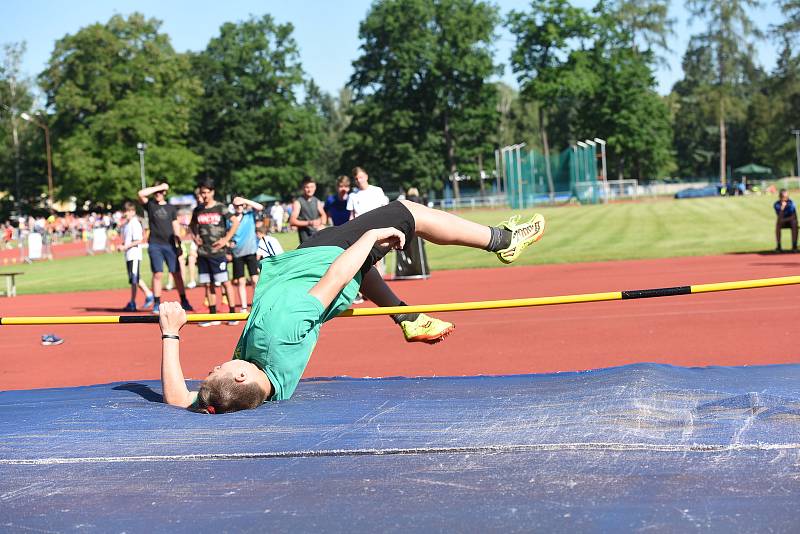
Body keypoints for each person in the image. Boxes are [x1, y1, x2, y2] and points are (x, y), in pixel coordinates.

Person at [156, 200, 547, 413]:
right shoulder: (283, 331)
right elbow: (336, 279)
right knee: (409, 213)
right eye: (217, 370)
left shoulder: (266, 391)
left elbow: (178, 399)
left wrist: (171, 333)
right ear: (240, 379)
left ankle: (407, 317)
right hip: (324, 261)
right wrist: (372, 236)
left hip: (303, 265)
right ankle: (502, 240)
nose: (216, 365)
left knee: (365, 265)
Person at [189, 178, 240, 326]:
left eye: (207, 192)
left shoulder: (221, 208)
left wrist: (226, 239)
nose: (204, 195)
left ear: (212, 192)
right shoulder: (198, 210)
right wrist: (194, 237)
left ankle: (232, 314)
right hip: (203, 253)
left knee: (225, 282)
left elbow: (235, 221)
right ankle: (212, 315)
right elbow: (191, 225)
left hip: (218, 253)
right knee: (207, 284)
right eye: (202, 193)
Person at [138, 181, 193, 313]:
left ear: (165, 193)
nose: (158, 194)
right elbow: (141, 194)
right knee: (158, 274)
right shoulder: (150, 205)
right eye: (156, 192)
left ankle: (184, 300)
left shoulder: (170, 208)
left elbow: (175, 226)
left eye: (161, 192)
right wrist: (160, 187)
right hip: (155, 244)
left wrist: (179, 243)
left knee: (176, 274)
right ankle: (156, 303)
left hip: (170, 245)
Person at [230, 196, 265, 315]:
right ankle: (244, 307)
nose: (238, 207)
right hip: (237, 253)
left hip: (251, 251)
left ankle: (256, 304)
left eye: (240, 205)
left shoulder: (249, 214)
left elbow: (260, 207)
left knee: (255, 279)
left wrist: (244, 200)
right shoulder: (230, 218)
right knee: (241, 281)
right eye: (236, 205)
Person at [118, 201, 154, 311]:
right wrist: (123, 245)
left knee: (134, 279)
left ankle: (133, 302)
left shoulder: (135, 223)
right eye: (125, 211)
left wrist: (125, 246)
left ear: (133, 212)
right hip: (129, 254)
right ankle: (148, 294)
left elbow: (139, 240)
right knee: (134, 277)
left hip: (134, 254)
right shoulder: (127, 224)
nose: (126, 213)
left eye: (128, 211)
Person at [289, 176, 327, 244]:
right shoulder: (298, 202)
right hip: (306, 239)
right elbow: (292, 221)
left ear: (315, 187)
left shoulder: (316, 201)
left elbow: (323, 215)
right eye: (307, 187)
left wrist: (322, 224)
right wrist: (310, 223)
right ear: (303, 188)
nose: (309, 189)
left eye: (312, 187)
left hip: (318, 236)